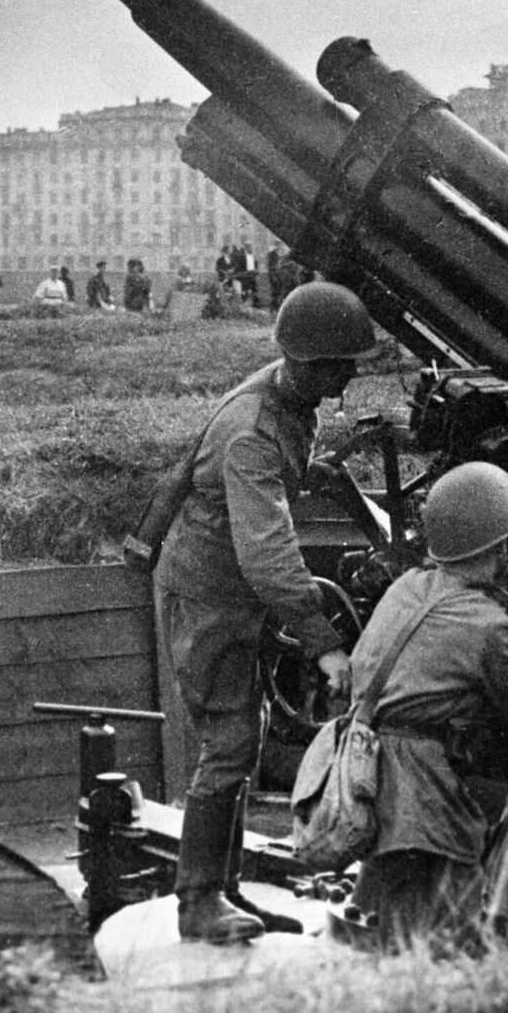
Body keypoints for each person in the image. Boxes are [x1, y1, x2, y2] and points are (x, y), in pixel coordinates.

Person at [155, 281, 376, 944]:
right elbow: (267, 552)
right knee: (228, 745)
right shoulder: (251, 432)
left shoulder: (289, 400)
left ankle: (225, 893)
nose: (350, 376)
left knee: (241, 740)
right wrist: (322, 642)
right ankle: (198, 902)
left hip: (230, 591)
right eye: (341, 365)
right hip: (209, 597)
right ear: (308, 363)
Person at [345, 463, 508, 948]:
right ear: (503, 549)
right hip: (423, 788)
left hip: (368, 768)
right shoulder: (490, 624)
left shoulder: (406, 587)